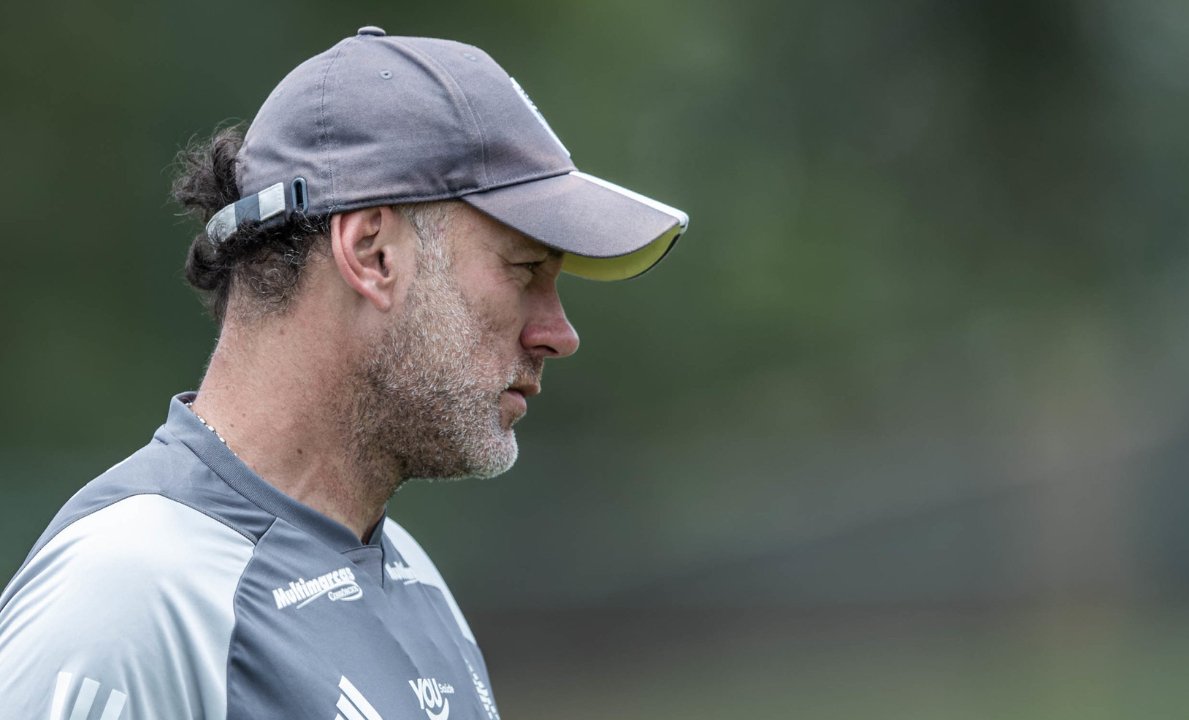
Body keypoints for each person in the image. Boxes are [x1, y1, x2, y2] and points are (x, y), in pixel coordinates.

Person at [0, 26, 687, 720]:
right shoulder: (131, 594)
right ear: (371, 253)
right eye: (524, 270)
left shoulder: (414, 582)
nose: (558, 333)